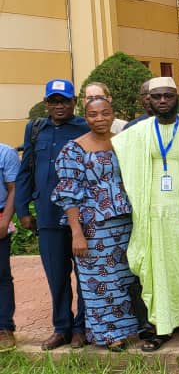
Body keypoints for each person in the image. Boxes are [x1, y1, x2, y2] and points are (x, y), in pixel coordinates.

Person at [112, 76, 179, 351]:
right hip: (151, 216)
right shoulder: (138, 132)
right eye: (157, 97)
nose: (163, 101)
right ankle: (161, 325)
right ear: (149, 101)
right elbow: (108, 143)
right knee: (156, 272)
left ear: (177, 97)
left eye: (168, 95)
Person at [51, 97, 139, 351]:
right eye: (93, 114)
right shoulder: (73, 149)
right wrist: (77, 233)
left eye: (105, 113)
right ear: (85, 116)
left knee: (125, 277)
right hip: (93, 227)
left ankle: (129, 328)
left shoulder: (123, 143)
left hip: (125, 223)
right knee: (100, 283)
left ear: (114, 114)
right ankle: (110, 335)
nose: (99, 119)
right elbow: (68, 195)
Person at [15, 79, 89, 350]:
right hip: (47, 216)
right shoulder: (35, 129)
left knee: (84, 275)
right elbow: (26, 171)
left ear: (74, 103)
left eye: (64, 101)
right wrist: (23, 210)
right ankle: (62, 328)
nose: (59, 106)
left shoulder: (85, 127)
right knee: (56, 275)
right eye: (54, 101)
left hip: (81, 217)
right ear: (46, 103)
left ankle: (82, 327)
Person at [0, 143, 16, 352]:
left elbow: (14, 189)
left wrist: (5, 221)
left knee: (1, 275)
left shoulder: (6, 152)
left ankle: (4, 327)